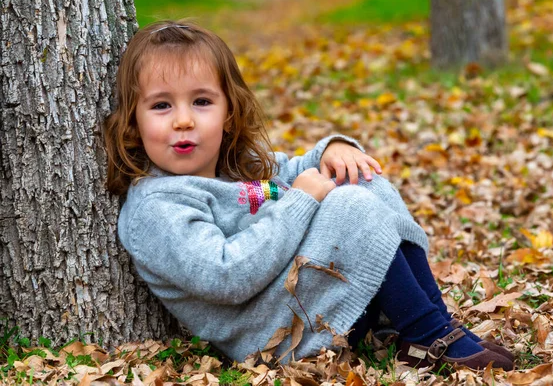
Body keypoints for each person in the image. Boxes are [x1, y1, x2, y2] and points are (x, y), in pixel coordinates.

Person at [103, 20, 514, 372]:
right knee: (348, 205)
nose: (184, 120)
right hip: (268, 334)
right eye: (161, 106)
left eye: (202, 101)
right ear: (133, 122)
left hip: (305, 302)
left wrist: (333, 149)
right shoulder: (157, 206)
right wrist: (300, 203)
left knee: (358, 178)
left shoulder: (234, 165)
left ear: (228, 114)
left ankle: (434, 326)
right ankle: (430, 336)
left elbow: (295, 167)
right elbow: (225, 276)